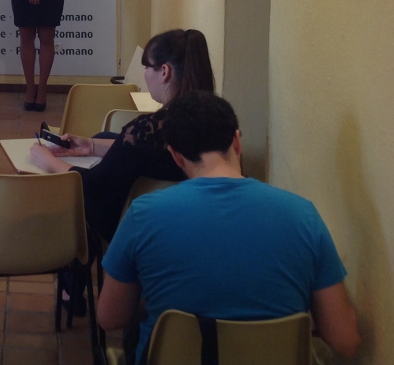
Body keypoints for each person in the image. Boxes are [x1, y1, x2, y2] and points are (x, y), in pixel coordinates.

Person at [98, 91, 361, 364]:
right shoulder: (304, 215)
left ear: (176, 156)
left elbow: (110, 317)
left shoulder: (143, 215)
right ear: (236, 141)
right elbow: (346, 339)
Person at [29, 28, 215, 241]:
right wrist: (92, 145)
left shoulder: (147, 128)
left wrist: (49, 162)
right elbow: (145, 151)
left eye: (147, 67)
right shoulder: (214, 118)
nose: (145, 74)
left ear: (165, 72)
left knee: (68, 195)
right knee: (104, 136)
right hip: (191, 219)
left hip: (135, 224)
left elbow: (96, 184)